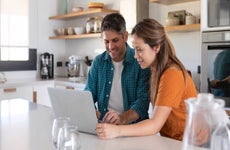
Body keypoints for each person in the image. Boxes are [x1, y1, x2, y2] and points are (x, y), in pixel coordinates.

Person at [96, 18, 197, 141]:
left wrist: (117, 130)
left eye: (139, 50)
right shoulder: (155, 70)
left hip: (189, 143)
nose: (135, 55)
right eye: (135, 49)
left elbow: (155, 124)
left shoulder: (172, 74)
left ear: (156, 48)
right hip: (172, 141)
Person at [84, 13, 150, 125]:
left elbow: (142, 103)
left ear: (125, 36)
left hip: (134, 129)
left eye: (115, 40)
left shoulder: (140, 62)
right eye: (106, 41)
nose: (110, 47)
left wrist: (121, 118)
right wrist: (90, 110)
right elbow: (88, 95)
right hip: (106, 127)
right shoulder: (98, 62)